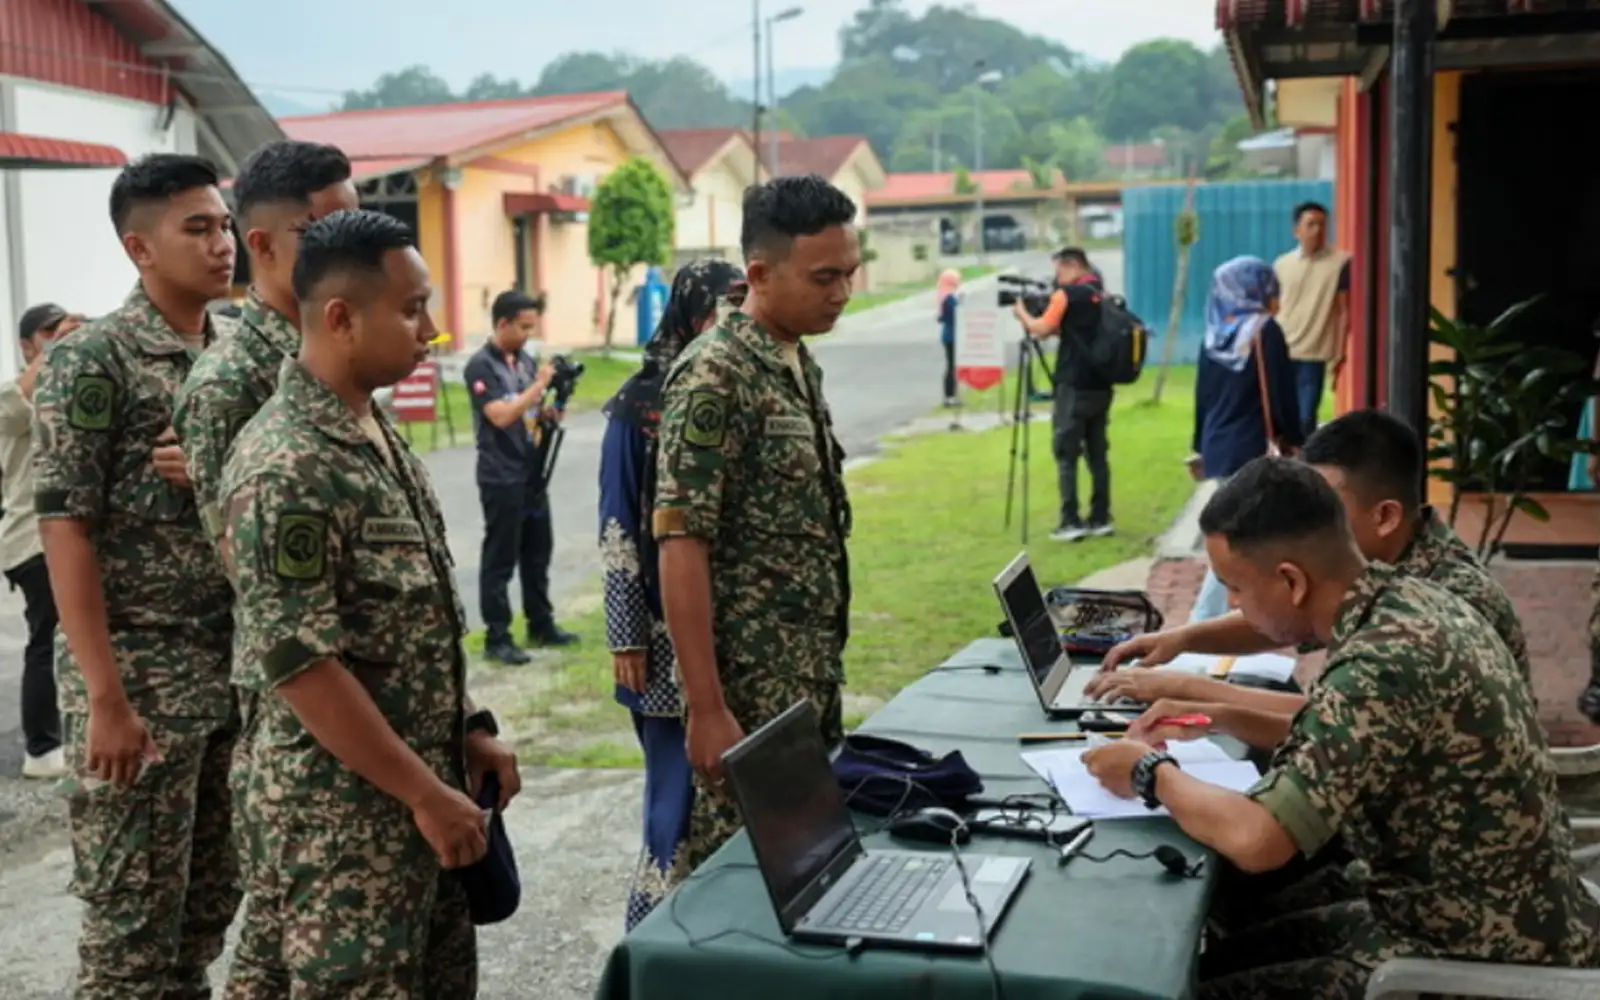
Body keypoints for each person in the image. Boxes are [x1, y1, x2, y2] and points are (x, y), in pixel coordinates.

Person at [1084, 457, 1600, 999]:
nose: (1232, 605)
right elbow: (1346, 734)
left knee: (1194, 986)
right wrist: (1220, 713)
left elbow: (1258, 839)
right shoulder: (1411, 600)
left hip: (1472, 957)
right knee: (1217, 948)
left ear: (1291, 581)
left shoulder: (1382, 663)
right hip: (1489, 916)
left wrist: (1147, 772)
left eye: (1235, 587)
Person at [219, 209, 521, 995]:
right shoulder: (286, 462)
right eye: (413, 307)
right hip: (341, 828)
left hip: (423, 802)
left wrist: (469, 728)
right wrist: (425, 793)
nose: (432, 328)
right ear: (341, 317)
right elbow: (302, 664)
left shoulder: (371, 429)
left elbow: (408, 624)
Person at [32, 153, 240, 1000]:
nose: (222, 243)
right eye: (197, 228)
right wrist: (105, 700)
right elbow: (64, 528)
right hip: (138, 684)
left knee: (203, 916)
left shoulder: (234, 354)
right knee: (130, 945)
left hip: (226, 675)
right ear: (139, 248)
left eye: (225, 224)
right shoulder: (96, 361)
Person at [172, 137, 357, 994]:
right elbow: (250, 574)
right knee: (283, 937)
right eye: (330, 226)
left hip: (359, 683)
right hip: (294, 706)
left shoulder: (330, 346)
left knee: (282, 947)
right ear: (266, 246)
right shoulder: (233, 382)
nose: (351, 242)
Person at [654, 175, 857, 879]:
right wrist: (706, 708)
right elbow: (682, 545)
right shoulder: (715, 375)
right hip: (749, 695)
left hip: (806, 681)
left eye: (851, 274)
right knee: (746, 888)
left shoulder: (793, 359)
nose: (841, 293)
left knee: (810, 871)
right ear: (760, 273)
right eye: (824, 277)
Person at [1092, 408, 1533, 719]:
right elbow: (1279, 611)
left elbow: (1333, 720)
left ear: (1385, 516)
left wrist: (1189, 691)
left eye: (1324, 501)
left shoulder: (1444, 598)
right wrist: (1181, 640)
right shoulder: (1374, 575)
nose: (1303, 511)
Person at [600, 258, 746, 929]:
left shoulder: (737, 390)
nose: (734, 322)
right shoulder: (639, 404)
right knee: (674, 802)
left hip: (730, 636)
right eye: (723, 307)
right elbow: (616, 524)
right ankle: (650, 940)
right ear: (691, 312)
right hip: (658, 643)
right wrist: (625, 634)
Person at [464, 289, 576, 664]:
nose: (529, 334)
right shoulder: (481, 366)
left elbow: (531, 412)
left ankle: (541, 624)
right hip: (501, 475)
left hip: (531, 473)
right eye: (524, 327)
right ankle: (498, 636)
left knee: (537, 552)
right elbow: (500, 415)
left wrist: (554, 405)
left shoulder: (524, 362)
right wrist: (539, 385)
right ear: (503, 324)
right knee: (500, 557)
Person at [1188, 256, 1302, 622]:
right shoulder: (1264, 330)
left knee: (1245, 533)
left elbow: (1202, 396)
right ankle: (1204, 622)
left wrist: (1200, 446)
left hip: (1220, 445)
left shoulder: (1213, 335)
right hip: (1252, 444)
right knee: (1240, 538)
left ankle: (1251, 613)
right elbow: (1283, 393)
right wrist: (1295, 438)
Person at [0, 304, 82, 778]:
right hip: (31, 539)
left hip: (65, 535)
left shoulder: (64, 388)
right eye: (48, 333)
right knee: (47, 640)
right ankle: (41, 748)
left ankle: (66, 735)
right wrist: (55, 353)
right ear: (27, 345)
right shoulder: (15, 393)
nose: (59, 339)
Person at [1013, 247, 1113, 542]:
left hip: (1073, 385)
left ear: (1072, 266)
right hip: (1101, 385)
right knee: (1097, 454)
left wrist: (1022, 313)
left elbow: (1041, 328)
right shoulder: (1099, 294)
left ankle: (1070, 520)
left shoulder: (1065, 296)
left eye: (1059, 271)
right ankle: (1100, 517)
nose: (1057, 278)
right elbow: (1075, 330)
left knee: (1066, 453)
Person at [1273, 202, 1350, 439]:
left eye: (1322, 224)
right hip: (1283, 349)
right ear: (1297, 230)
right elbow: (1274, 308)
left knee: (1306, 418)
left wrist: (1340, 352)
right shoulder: (1281, 264)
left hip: (1313, 355)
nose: (1316, 230)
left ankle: (1303, 469)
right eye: (1310, 224)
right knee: (1281, 419)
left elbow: (1343, 310)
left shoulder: (1340, 263)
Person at [936, 268, 961, 406]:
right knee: (952, 366)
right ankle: (950, 396)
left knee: (952, 366)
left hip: (949, 335)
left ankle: (951, 395)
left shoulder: (944, 296)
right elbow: (955, 316)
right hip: (952, 336)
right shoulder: (949, 298)